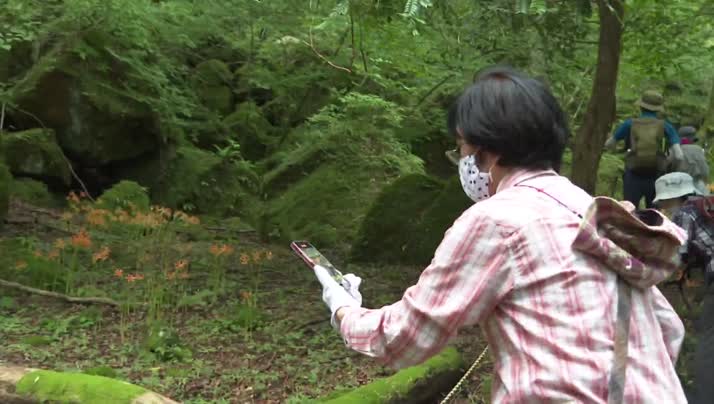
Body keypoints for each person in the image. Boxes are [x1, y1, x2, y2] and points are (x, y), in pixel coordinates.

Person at [313, 67, 688, 403]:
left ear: (486, 148)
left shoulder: (496, 220)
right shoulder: (589, 206)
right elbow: (669, 328)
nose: (461, 160)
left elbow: (404, 338)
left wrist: (343, 308)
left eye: (461, 147)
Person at [653, 172, 714, 404]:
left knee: (709, 344)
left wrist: (653, 277)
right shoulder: (706, 206)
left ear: (673, 197)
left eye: (664, 201)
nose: (663, 206)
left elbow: (677, 254)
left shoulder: (684, 214)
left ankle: (704, 399)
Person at [604, 90, 683, 209]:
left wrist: (620, 150)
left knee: (629, 211)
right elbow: (679, 156)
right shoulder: (666, 126)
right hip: (656, 177)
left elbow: (609, 144)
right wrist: (666, 163)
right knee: (653, 214)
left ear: (641, 106)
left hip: (633, 174)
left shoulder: (629, 124)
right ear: (658, 109)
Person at [672, 126, 709, 195]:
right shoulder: (698, 149)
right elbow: (705, 171)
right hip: (696, 183)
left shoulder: (673, 150)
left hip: (679, 184)